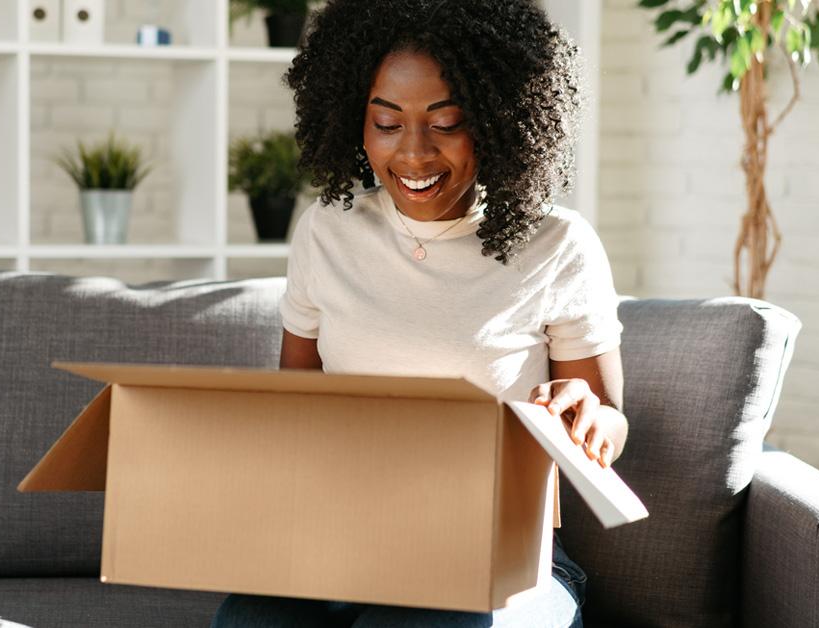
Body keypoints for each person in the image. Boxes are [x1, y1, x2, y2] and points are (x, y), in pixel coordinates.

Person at [212, 0, 628, 625]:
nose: (414, 154)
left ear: (494, 118)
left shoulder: (557, 245)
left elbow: (610, 425)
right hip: (345, 541)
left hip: (500, 551)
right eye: (386, 122)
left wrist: (592, 420)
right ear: (355, 118)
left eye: (447, 121)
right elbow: (296, 407)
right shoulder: (327, 232)